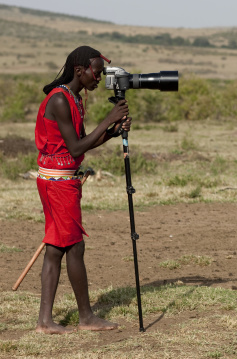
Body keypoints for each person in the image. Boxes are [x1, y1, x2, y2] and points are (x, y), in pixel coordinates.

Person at [35, 46, 131, 334]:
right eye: (97, 72)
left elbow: (81, 142)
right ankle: (86, 317)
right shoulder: (61, 100)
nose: (99, 78)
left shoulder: (74, 98)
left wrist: (112, 132)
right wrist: (109, 119)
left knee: (56, 249)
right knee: (74, 246)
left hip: (62, 181)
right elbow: (76, 147)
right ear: (80, 70)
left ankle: (44, 322)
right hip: (57, 184)